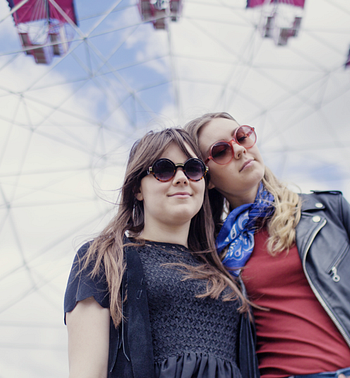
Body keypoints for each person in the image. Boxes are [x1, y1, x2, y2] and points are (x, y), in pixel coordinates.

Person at [185, 113, 350, 378]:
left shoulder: (328, 212)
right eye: (221, 151)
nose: (239, 149)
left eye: (242, 136)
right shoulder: (215, 257)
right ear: (207, 178)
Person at [64, 128, 258, 378]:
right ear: (137, 189)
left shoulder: (227, 268)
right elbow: (88, 372)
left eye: (193, 169)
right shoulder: (104, 257)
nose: (181, 178)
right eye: (164, 170)